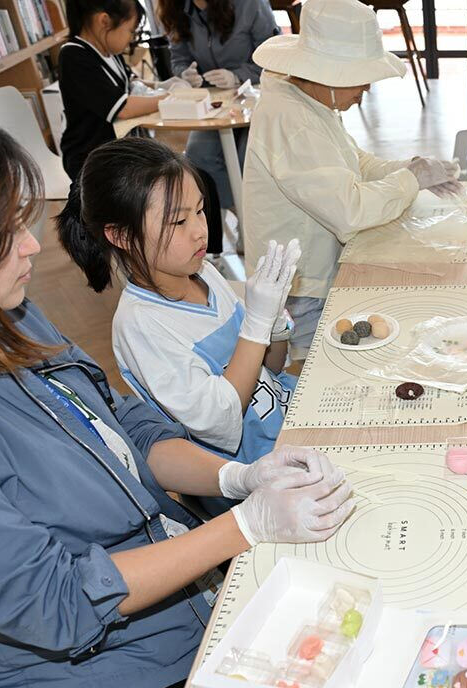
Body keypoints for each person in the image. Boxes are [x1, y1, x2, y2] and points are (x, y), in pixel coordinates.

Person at [0, 94, 355, 688]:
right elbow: (61, 601)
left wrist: (236, 477)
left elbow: (123, 420)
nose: (32, 246)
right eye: (1, 233)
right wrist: (244, 526)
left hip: (174, 595)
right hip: (101, 682)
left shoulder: (4, 314)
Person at [58, 138, 300, 512]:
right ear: (120, 235)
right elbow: (221, 420)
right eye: (179, 221)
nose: (200, 230)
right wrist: (255, 324)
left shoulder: (202, 273)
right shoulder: (141, 325)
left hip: (287, 428)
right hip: (249, 481)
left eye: (200, 211)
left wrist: (275, 323)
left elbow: (271, 368)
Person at [243, 0, 459, 362]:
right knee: (319, 367)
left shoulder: (310, 100)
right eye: (361, 79)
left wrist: (410, 169)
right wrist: (409, 180)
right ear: (330, 74)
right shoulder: (292, 121)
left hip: (314, 270)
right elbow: (350, 210)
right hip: (301, 288)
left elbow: (353, 161)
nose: (366, 90)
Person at [158, 0, 280, 212]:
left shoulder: (250, 4)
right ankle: (237, 214)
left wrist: (238, 75)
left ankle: (257, 216)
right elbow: (178, 58)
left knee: (249, 157)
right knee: (198, 155)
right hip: (212, 104)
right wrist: (185, 74)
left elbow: (274, 55)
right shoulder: (175, 8)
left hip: (256, 98)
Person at [59, 0, 166, 181]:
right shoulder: (74, 56)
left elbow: (132, 83)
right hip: (92, 160)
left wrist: (162, 86)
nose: (131, 39)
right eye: (130, 31)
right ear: (104, 21)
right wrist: (168, 98)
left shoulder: (109, 52)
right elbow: (122, 107)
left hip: (121, 152)